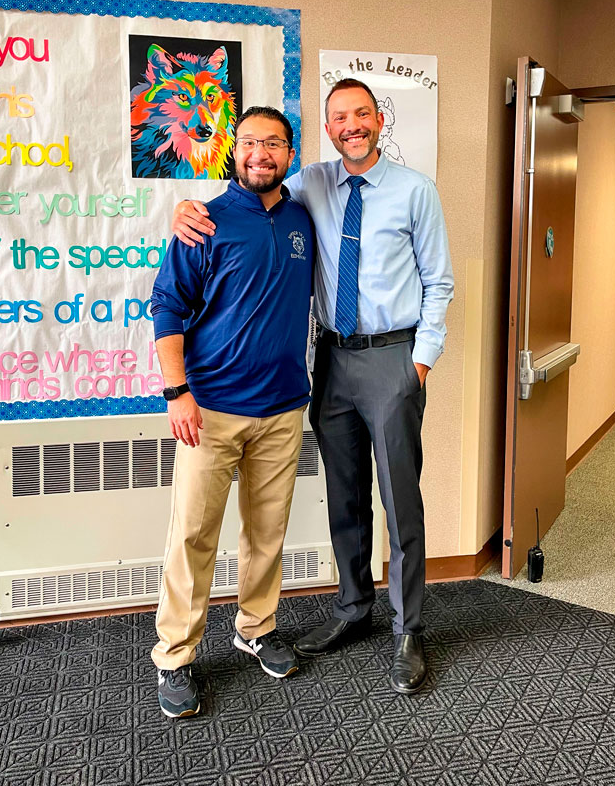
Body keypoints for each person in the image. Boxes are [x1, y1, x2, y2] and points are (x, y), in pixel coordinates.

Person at [172, 79, 453, 694]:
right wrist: (181, 210)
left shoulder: (416, 191)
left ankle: (410, 628)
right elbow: (248, 195)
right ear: (325, 130)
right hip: (330, 362)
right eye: (338, 118)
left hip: (392, 359)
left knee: (399, 497)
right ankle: (353, 609)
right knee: (343, 495)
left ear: (379, 120)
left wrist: (421, 362)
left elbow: (440, 281)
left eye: (361, 114)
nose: (350, 126)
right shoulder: (307, 185)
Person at [150, 106, 314, 719]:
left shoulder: (303, 217)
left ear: (289, 153)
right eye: (249, 142)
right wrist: (177, 392)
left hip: (281, 409)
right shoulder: (203, 223)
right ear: (233, 149)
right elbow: (167, 307)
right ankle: (176, 655)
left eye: (273, 143)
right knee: (193, 535)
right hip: (210, 410)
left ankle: (256, 627)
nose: (260, 153)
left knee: (267, 532)